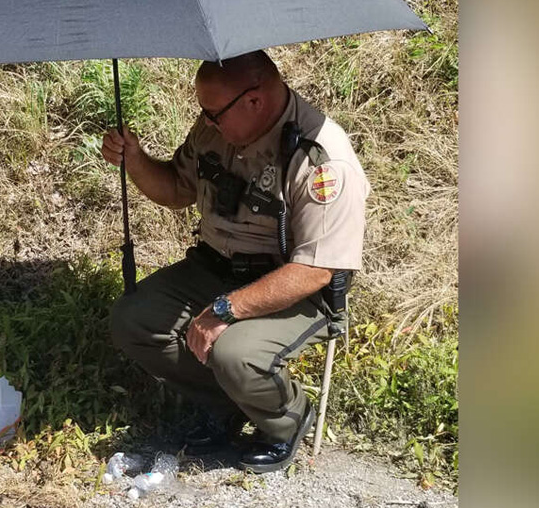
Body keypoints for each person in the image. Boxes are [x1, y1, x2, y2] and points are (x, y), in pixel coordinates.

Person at [101, 50, 369, 473]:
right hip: (214, 268)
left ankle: (287, 419)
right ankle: (228, 404)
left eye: (213, 113)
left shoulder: (321, 159)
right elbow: (176, 190)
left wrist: (224, 310)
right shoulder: (218, 129)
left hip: (292, 288)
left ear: (254, 101)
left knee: (234, 352)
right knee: (134, 319)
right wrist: (134, 160)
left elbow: (317, 268)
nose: (206, 122)